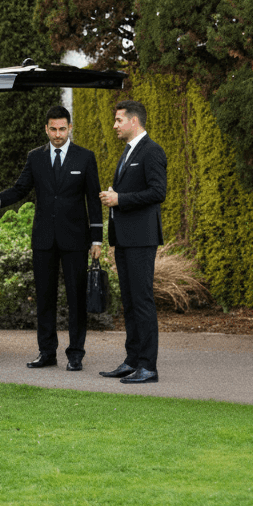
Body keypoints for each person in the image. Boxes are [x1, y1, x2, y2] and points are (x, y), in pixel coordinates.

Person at [0, 105, 103, 371]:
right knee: (45, 298)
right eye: (53, 129)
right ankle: (47, 352)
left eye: (62, 129)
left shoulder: (85, 157)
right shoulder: (35, 157)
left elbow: (93, 201)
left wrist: (97, 239)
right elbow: (19, 189)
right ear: (46, 129)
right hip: (43, 240)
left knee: (76, 299)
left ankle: (75, 354)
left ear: (70, 128)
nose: (58, 134)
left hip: (75, 240)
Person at [98, 99, 167, 385]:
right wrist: (115, 195)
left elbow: (158, 192)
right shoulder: (128, 151)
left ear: (134, 121)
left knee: (141, 301)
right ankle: (132, 361)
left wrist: (120, 199)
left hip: (141, 239)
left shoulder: (152, 151)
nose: (115, 125)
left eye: (119, 120)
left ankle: (148, 367)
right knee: (129, 302)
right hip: (124, 239)